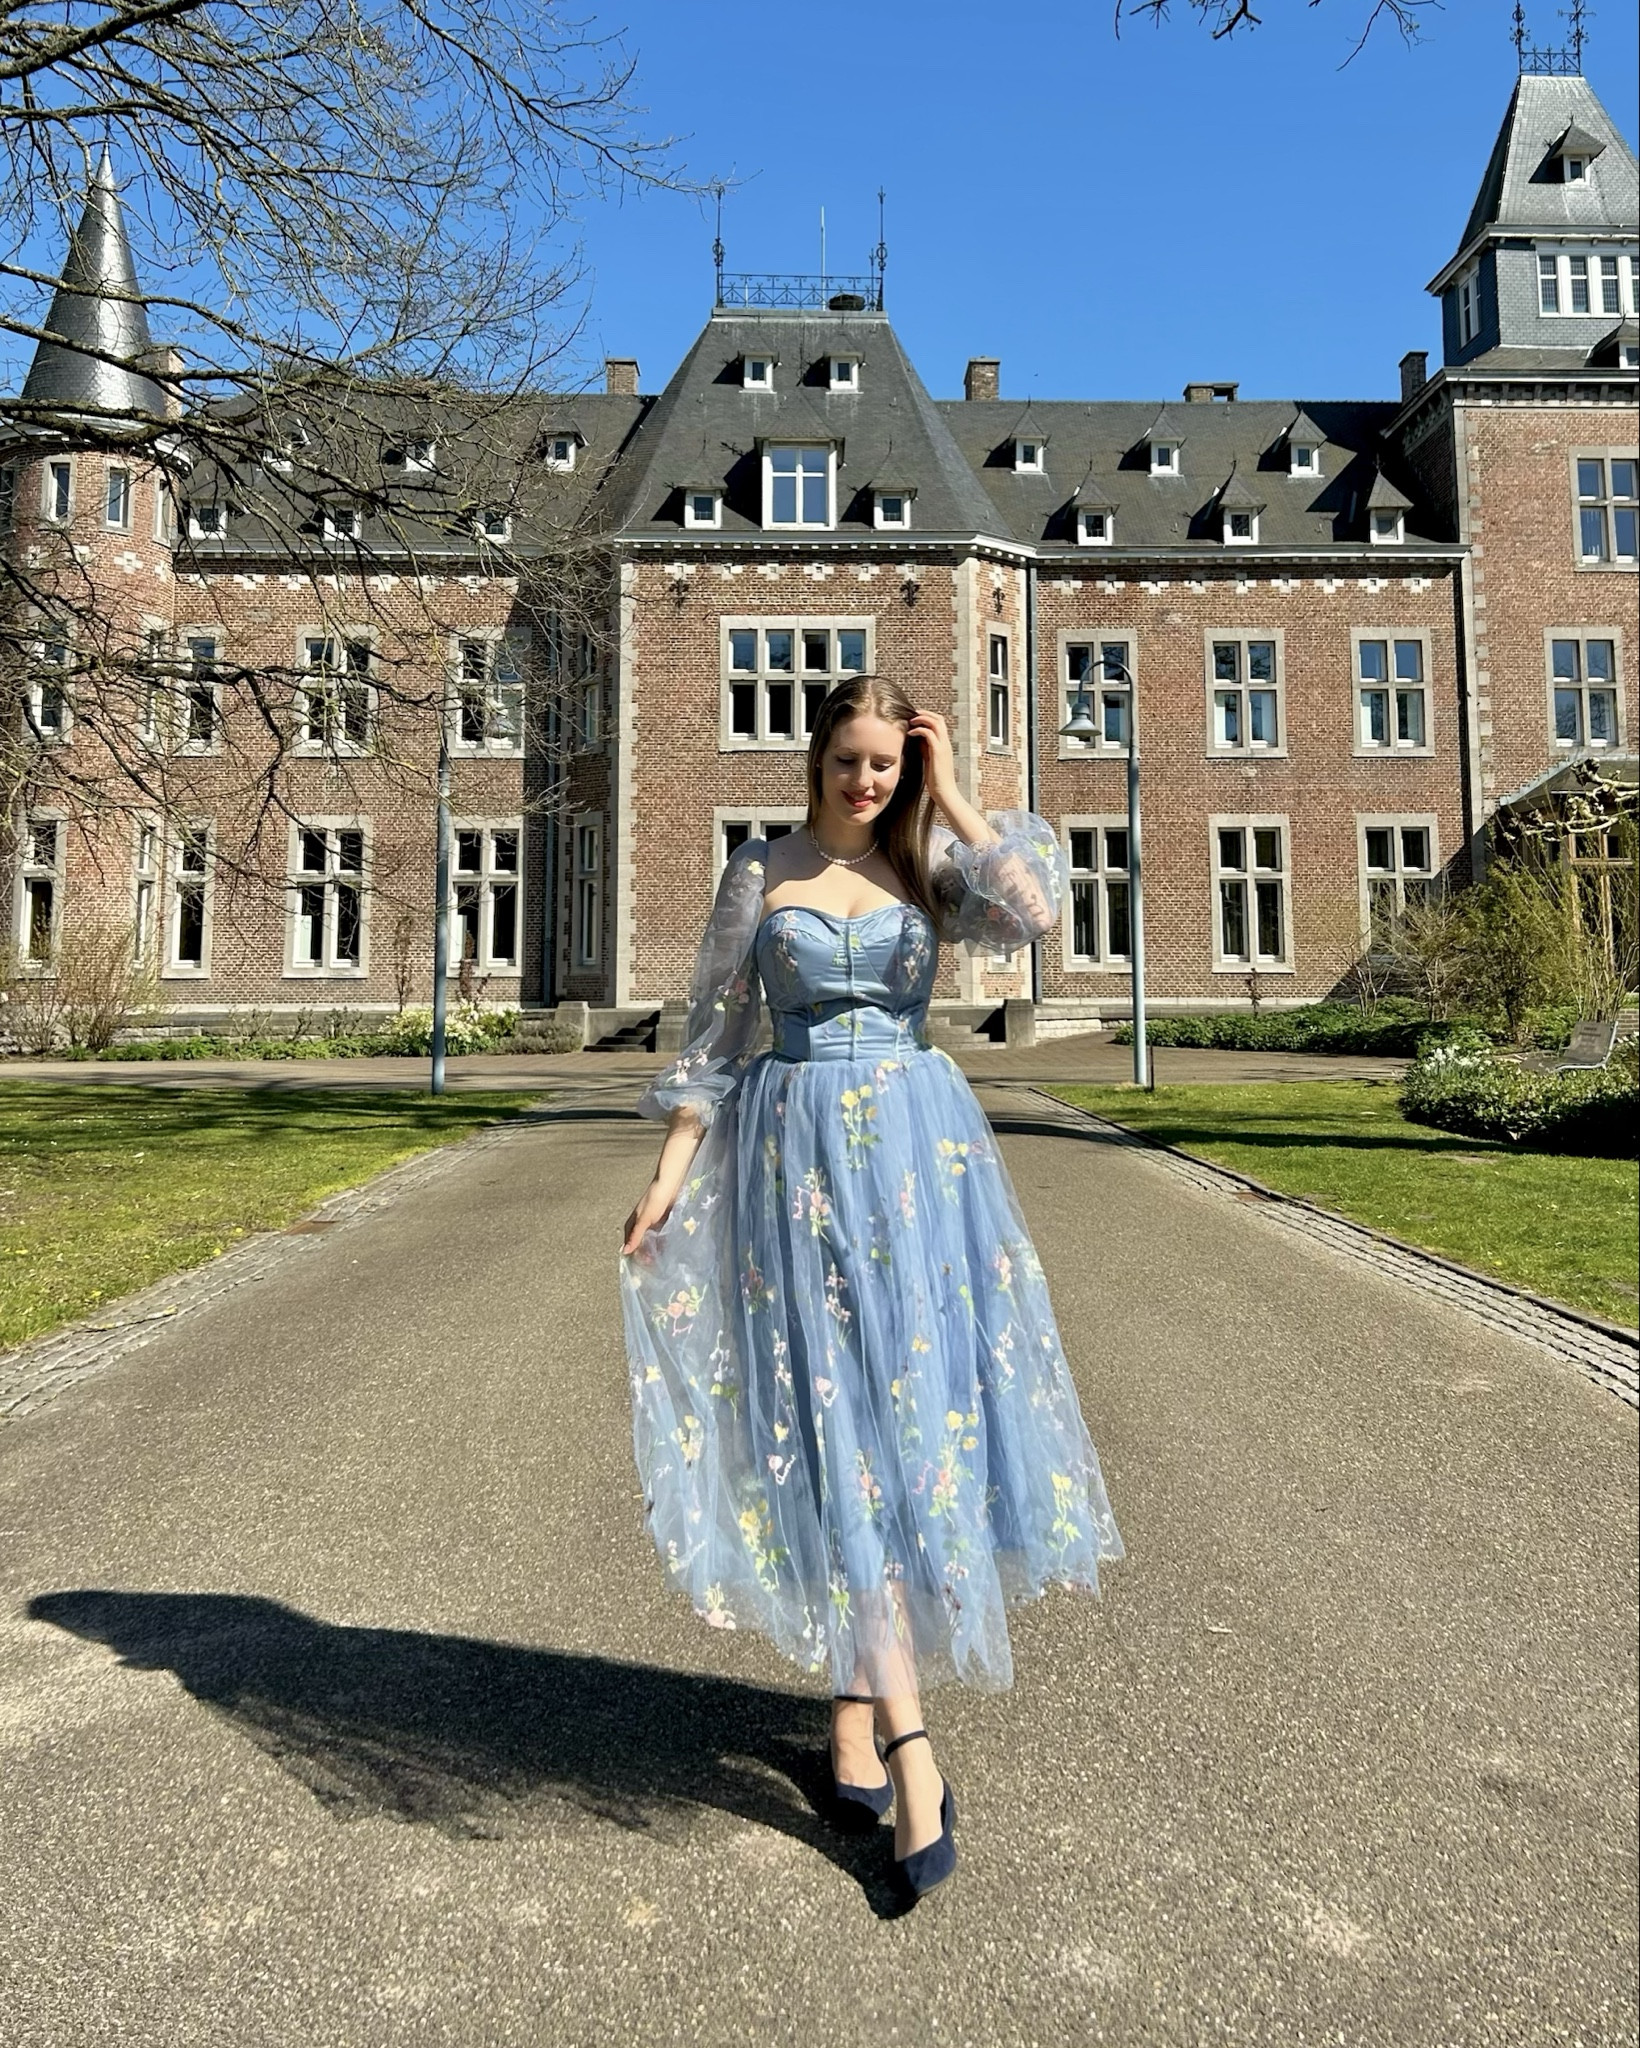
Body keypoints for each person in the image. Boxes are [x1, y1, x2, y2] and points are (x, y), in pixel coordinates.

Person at [619, 676, 1122, 1901]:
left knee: (900, 1423)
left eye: (884, 764)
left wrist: (951, 790)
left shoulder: (928, 871)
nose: (866, 781)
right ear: (816, 758)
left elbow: (1036, 912)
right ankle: (908, 1743)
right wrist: (670, 1174)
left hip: (916, 1163)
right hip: (790, 1168)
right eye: (849, 760)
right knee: (829, 1421)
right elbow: (712, 1036)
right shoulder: (759, 873)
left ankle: (862, 1714)